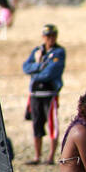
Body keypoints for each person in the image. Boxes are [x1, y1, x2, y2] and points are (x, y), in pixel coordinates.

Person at [22, 23, 65, 164]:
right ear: (43, 37)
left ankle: (51, 156)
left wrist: (35, 73)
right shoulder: (37, 50)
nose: (50, 39)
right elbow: (26, 67)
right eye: (48, 36)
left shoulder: (59, 52)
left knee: (53, 124)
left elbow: (51, 73)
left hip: (50, 93)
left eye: (53, 36)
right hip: (35, 93)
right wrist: (39, 65)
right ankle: (37, 156)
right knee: (36, 124)